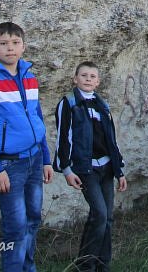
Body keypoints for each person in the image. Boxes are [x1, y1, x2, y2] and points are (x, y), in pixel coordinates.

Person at [0, 22, 54, 272]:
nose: (10, 48)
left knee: (32, 220)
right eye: (3, 44)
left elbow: (36, 118)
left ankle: (28, 268)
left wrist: (47, 158)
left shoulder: (30, 77)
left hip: (34, 159)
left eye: (15, 43)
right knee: (15, 227)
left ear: (23, 46)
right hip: (9, 164)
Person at [53, 61, 127, 272]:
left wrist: (119, 170)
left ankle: (103, 264)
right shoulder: (68, 103)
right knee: (100, 215)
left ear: (98, 81)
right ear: (75, 79)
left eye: (92, 76)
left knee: (107, 218)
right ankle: (85, 266)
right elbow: (63, 138)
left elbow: (111, 139)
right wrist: (66, 169)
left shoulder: (102, 105)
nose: (88, 79)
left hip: (106, 167)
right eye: (83, 75)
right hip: (86, 169)